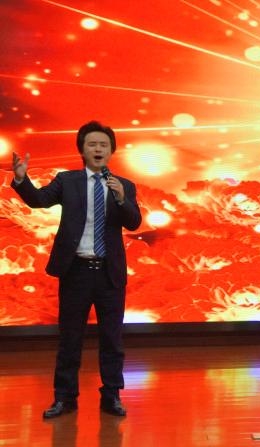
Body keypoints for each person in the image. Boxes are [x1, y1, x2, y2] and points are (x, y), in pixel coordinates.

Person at [10, 121, 142, 418]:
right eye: (92, 144)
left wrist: (122, 198)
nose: (98, 149)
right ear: (82, 149)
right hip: (76, 272)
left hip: (109, 273)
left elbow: (134, 222)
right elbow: (39, 200)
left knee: (112, 339)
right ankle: (64, 397)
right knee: (70, 338)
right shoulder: (67, 181)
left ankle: (112, 396)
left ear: (111, 151)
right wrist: (21, 179)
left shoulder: (124, 185)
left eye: (103, 145)